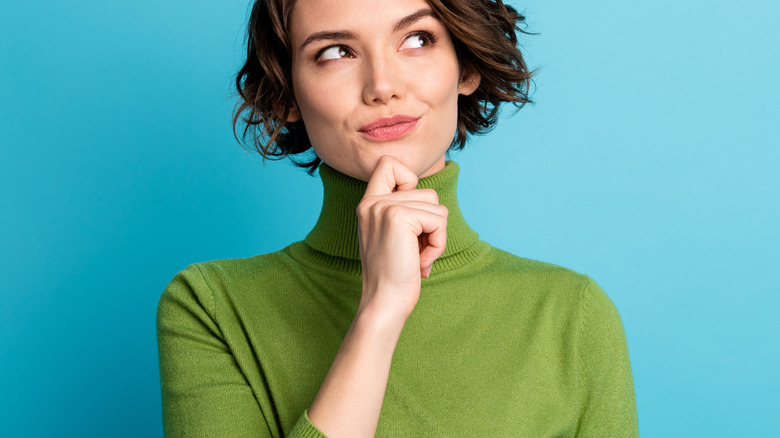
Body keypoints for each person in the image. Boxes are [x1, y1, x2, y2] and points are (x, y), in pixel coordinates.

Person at [156, 0, 639, 436]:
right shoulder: (212, 307)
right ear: (288, 96)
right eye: (335, 52)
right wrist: (380, 312)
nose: (382, 86)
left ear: (465, 66)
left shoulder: (571, 314)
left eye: (417, 39)